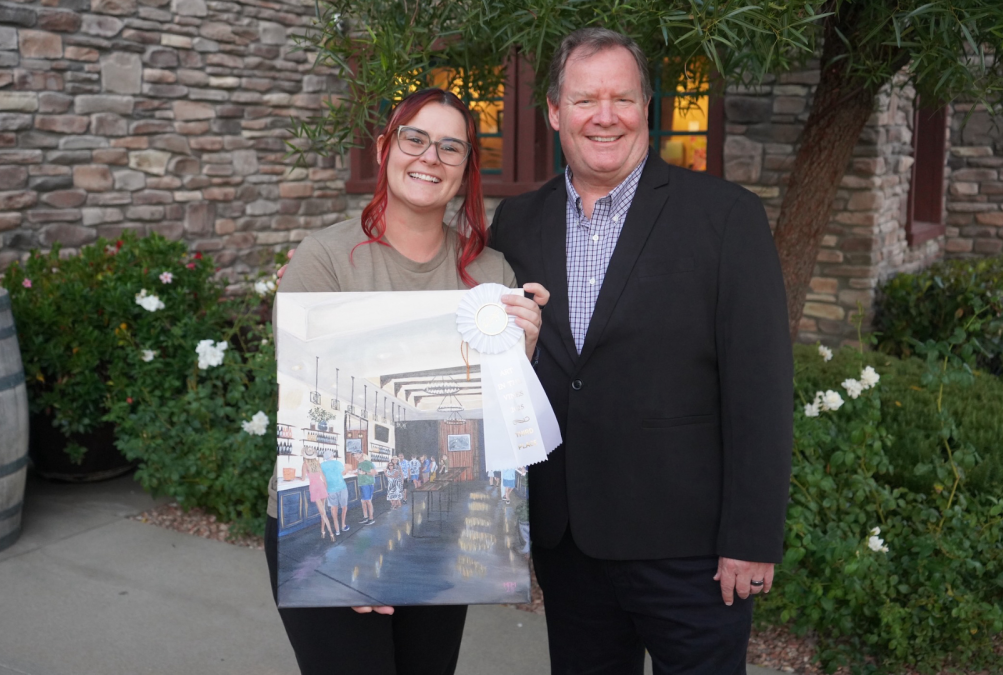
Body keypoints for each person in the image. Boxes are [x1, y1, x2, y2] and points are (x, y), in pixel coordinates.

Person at [487, 28, 793, 675]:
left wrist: (751, 537)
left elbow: (761, 389)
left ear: (646, 108)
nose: (605, 116)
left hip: (692, 551)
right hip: (570, 544)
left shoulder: (725, 217)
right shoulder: (516, 223)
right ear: (554, 112)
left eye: (622, 98)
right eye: (584, 99)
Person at [265, 86, 550, 675]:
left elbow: (504, 426)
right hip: (319, 545)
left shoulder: (490, 272)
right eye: (414, 138)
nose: (429, 157)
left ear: (466, 166)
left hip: (443, 543)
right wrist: (343, 560)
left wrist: (524, 352)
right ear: (383, 149)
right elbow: (307, 399)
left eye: (450, 147)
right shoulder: (324, 259)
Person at [304, 458, 334, 542]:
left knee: (323, 513)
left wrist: (299, 478)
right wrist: (326, 486)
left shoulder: (305, 464)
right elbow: (322, 476)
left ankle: (331, 533)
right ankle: (323, 531)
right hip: (321, 486)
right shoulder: (317, 463)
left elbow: (302, 478)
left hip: (314, 488)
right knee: (322, 511)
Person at [319, 450, 349, 536]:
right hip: (341, 487)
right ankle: (343, 525)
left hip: (330, 489)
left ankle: (337, 530)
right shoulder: (338, 463)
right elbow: (343, 473)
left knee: (333, 509)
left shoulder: (321, 465)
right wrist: (347, 468)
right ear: (332, 455)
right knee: (344, 507)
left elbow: (322, 477)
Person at [357, 452, 377, 525]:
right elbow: (359, 473)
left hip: (367, 484)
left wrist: (365, 473)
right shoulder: (359, 464)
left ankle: (371, 518)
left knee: (368, 501)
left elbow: (375, 472)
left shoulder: (368, 463)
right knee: (363, 501)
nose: (356, 457)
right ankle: (365, 517)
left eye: (357, 455)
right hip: (361, 484)